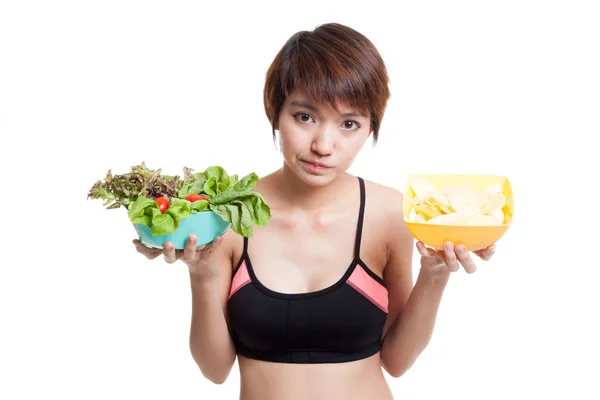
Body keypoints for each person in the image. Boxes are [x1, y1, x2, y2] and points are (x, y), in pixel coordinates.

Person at [133, 22, 496, 400]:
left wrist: (435, 274)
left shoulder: (389, 212)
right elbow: (214, 369)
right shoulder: (233, 213)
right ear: (276, 114)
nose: (324, 145)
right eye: (305, 117)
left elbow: (397, 360)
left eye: (349, 124)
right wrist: (202, 274)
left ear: (370, 129)